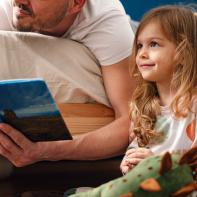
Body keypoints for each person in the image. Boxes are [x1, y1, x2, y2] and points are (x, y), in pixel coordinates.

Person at [0, 0, 136, 167]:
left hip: (132, 34)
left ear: (76, 3)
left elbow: (130, 121)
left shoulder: (108, 24)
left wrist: (46, 151)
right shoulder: (8, 7)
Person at [120, 5, 197, 175]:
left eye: (153, 44)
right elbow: (137, 149)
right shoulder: (145, 106)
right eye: (139, 46)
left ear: (183, 53)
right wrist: (129, 162)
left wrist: (159, 163)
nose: (141, 54)